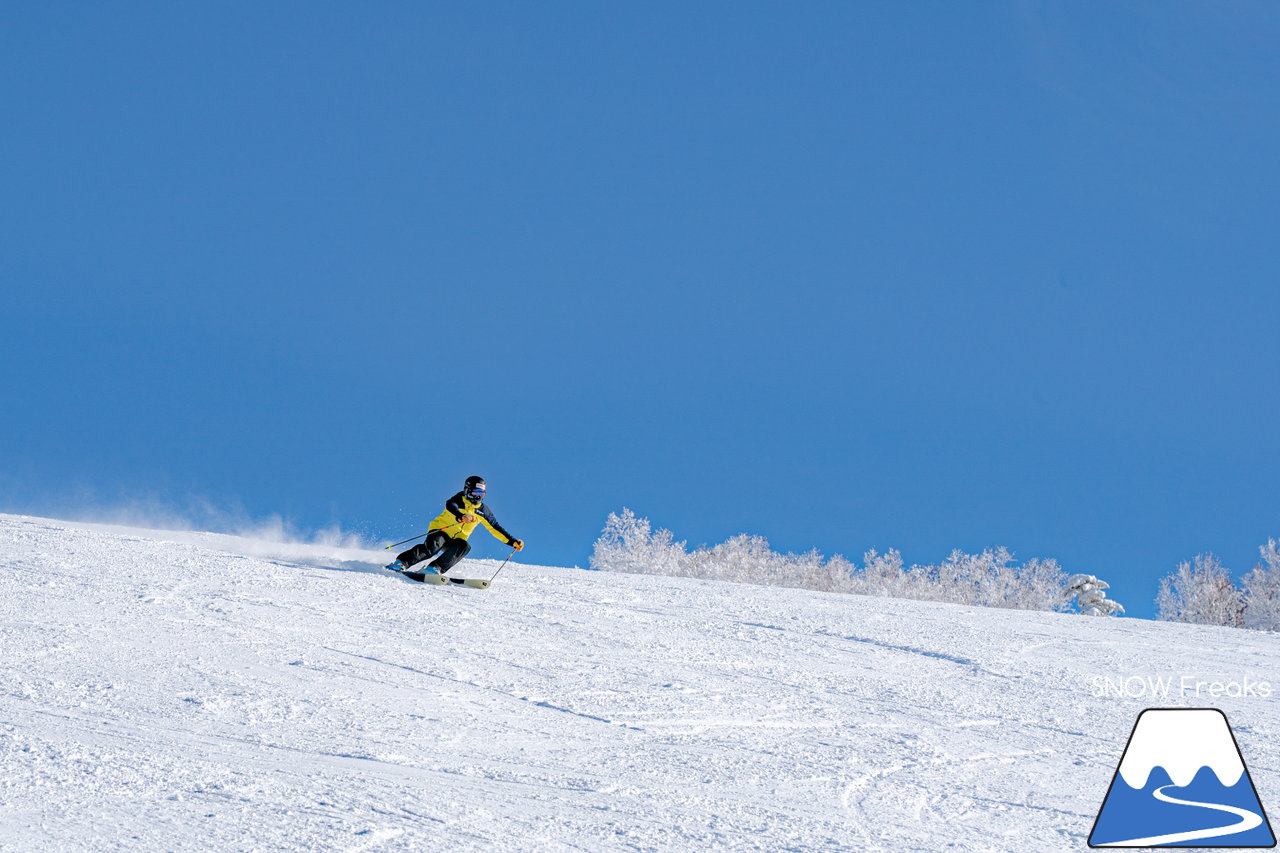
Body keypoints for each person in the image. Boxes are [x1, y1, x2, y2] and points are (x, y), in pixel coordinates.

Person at [386, 476, 523, 575]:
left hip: (456, 540)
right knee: (433, 547)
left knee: (464, 547)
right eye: (475, 493)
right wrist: (461, 516)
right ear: (467, 491)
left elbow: (495, 528)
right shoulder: (459, 499)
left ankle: (434, 569)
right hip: (441, 531)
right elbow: (450, 505)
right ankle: (402, 562)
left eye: (481, 494)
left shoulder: (483, 511)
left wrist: (512, 542)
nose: (478, 498)